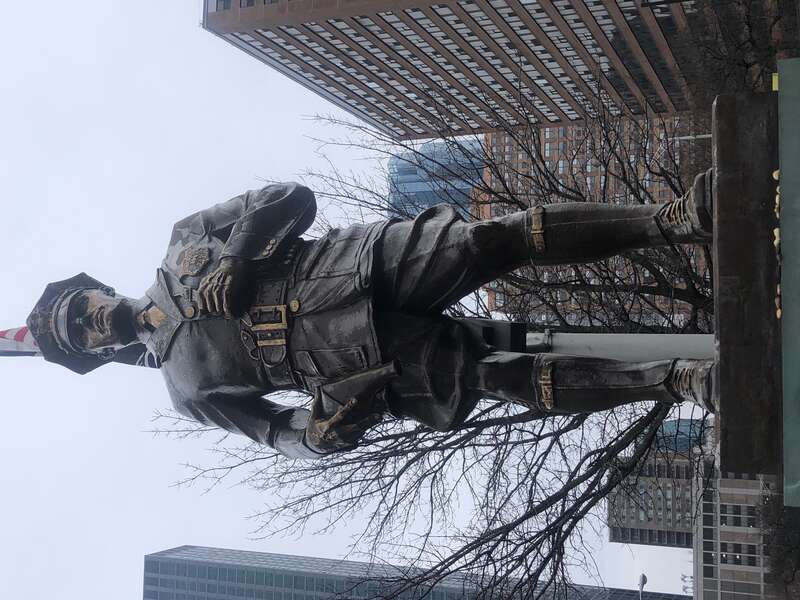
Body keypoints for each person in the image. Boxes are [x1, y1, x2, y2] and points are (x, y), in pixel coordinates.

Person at [24, 171, 716, 459]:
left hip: (349, 268)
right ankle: (677, 380)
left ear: (96, 290)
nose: (90, 322)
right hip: (352, 361)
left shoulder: (184, 241)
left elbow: (292, 197)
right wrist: (324, 433)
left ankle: (675, 220)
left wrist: (235, 255)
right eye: (79, 334)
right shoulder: (186, 391)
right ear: (97, 354)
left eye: (79, 309)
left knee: (490, 238)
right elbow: (280, 434)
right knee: (500, 379)